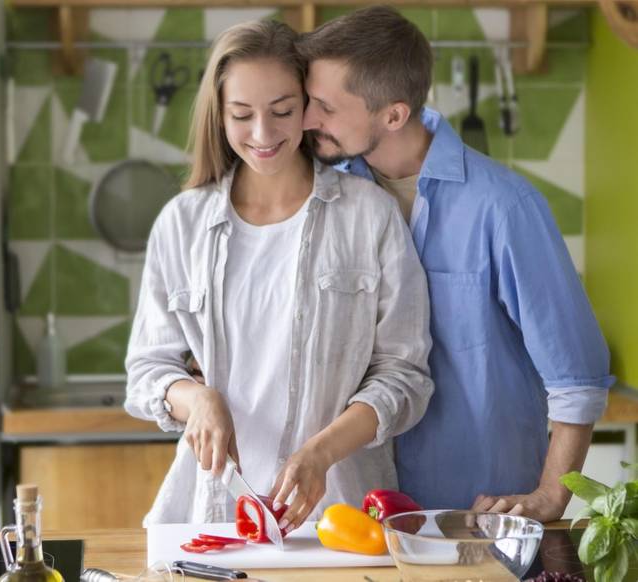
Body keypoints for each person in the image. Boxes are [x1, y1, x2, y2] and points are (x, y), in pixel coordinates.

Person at [296, 5, 614, 522]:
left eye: (326, 108)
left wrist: (551, 496)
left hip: (477, 515)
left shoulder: (503, 206)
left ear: (394, 115)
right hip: (354, 514)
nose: (309, 120)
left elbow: (577, 374)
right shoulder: (326, 198)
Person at [124, 19, 433, 531]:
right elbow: (147, 371)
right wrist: (197, 401)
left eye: (283, 111)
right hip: (212, 516)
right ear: (218, 115)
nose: (263, 134)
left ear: (308, 106)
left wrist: (320, 453)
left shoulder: (368, 215)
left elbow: (405, 377)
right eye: (241, 115)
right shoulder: (182, 224)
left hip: (345, 516)